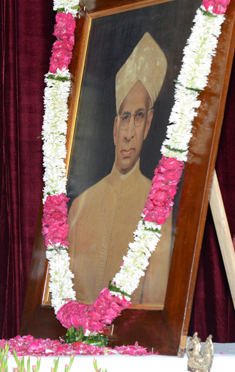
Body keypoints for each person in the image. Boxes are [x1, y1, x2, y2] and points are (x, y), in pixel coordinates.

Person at [67, 32, 172, 306]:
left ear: (148, 124)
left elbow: (154, 306)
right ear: (115, 128)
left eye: (138, 117)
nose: (128, 134)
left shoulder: (158, 209)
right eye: (125, 117)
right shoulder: (80, 206)